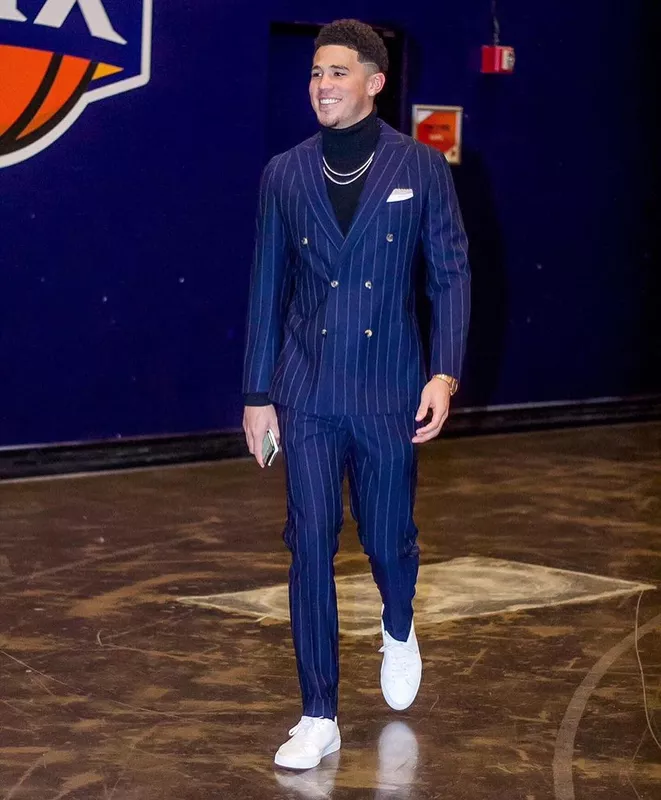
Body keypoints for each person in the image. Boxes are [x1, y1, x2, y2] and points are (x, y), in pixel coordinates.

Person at [243, 18, 470, 770]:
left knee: (386, 538)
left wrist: (443, 372)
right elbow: (267, 288)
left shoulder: (421, 166)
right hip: (306, 388)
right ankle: (318, 714)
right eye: (315, 72)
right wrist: (257, 392)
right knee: (309, 538)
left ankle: (398, 623)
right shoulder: (284, 173)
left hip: (387, 387)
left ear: (374, 82)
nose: (321, 84)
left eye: (337, 72)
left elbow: (449, 273)